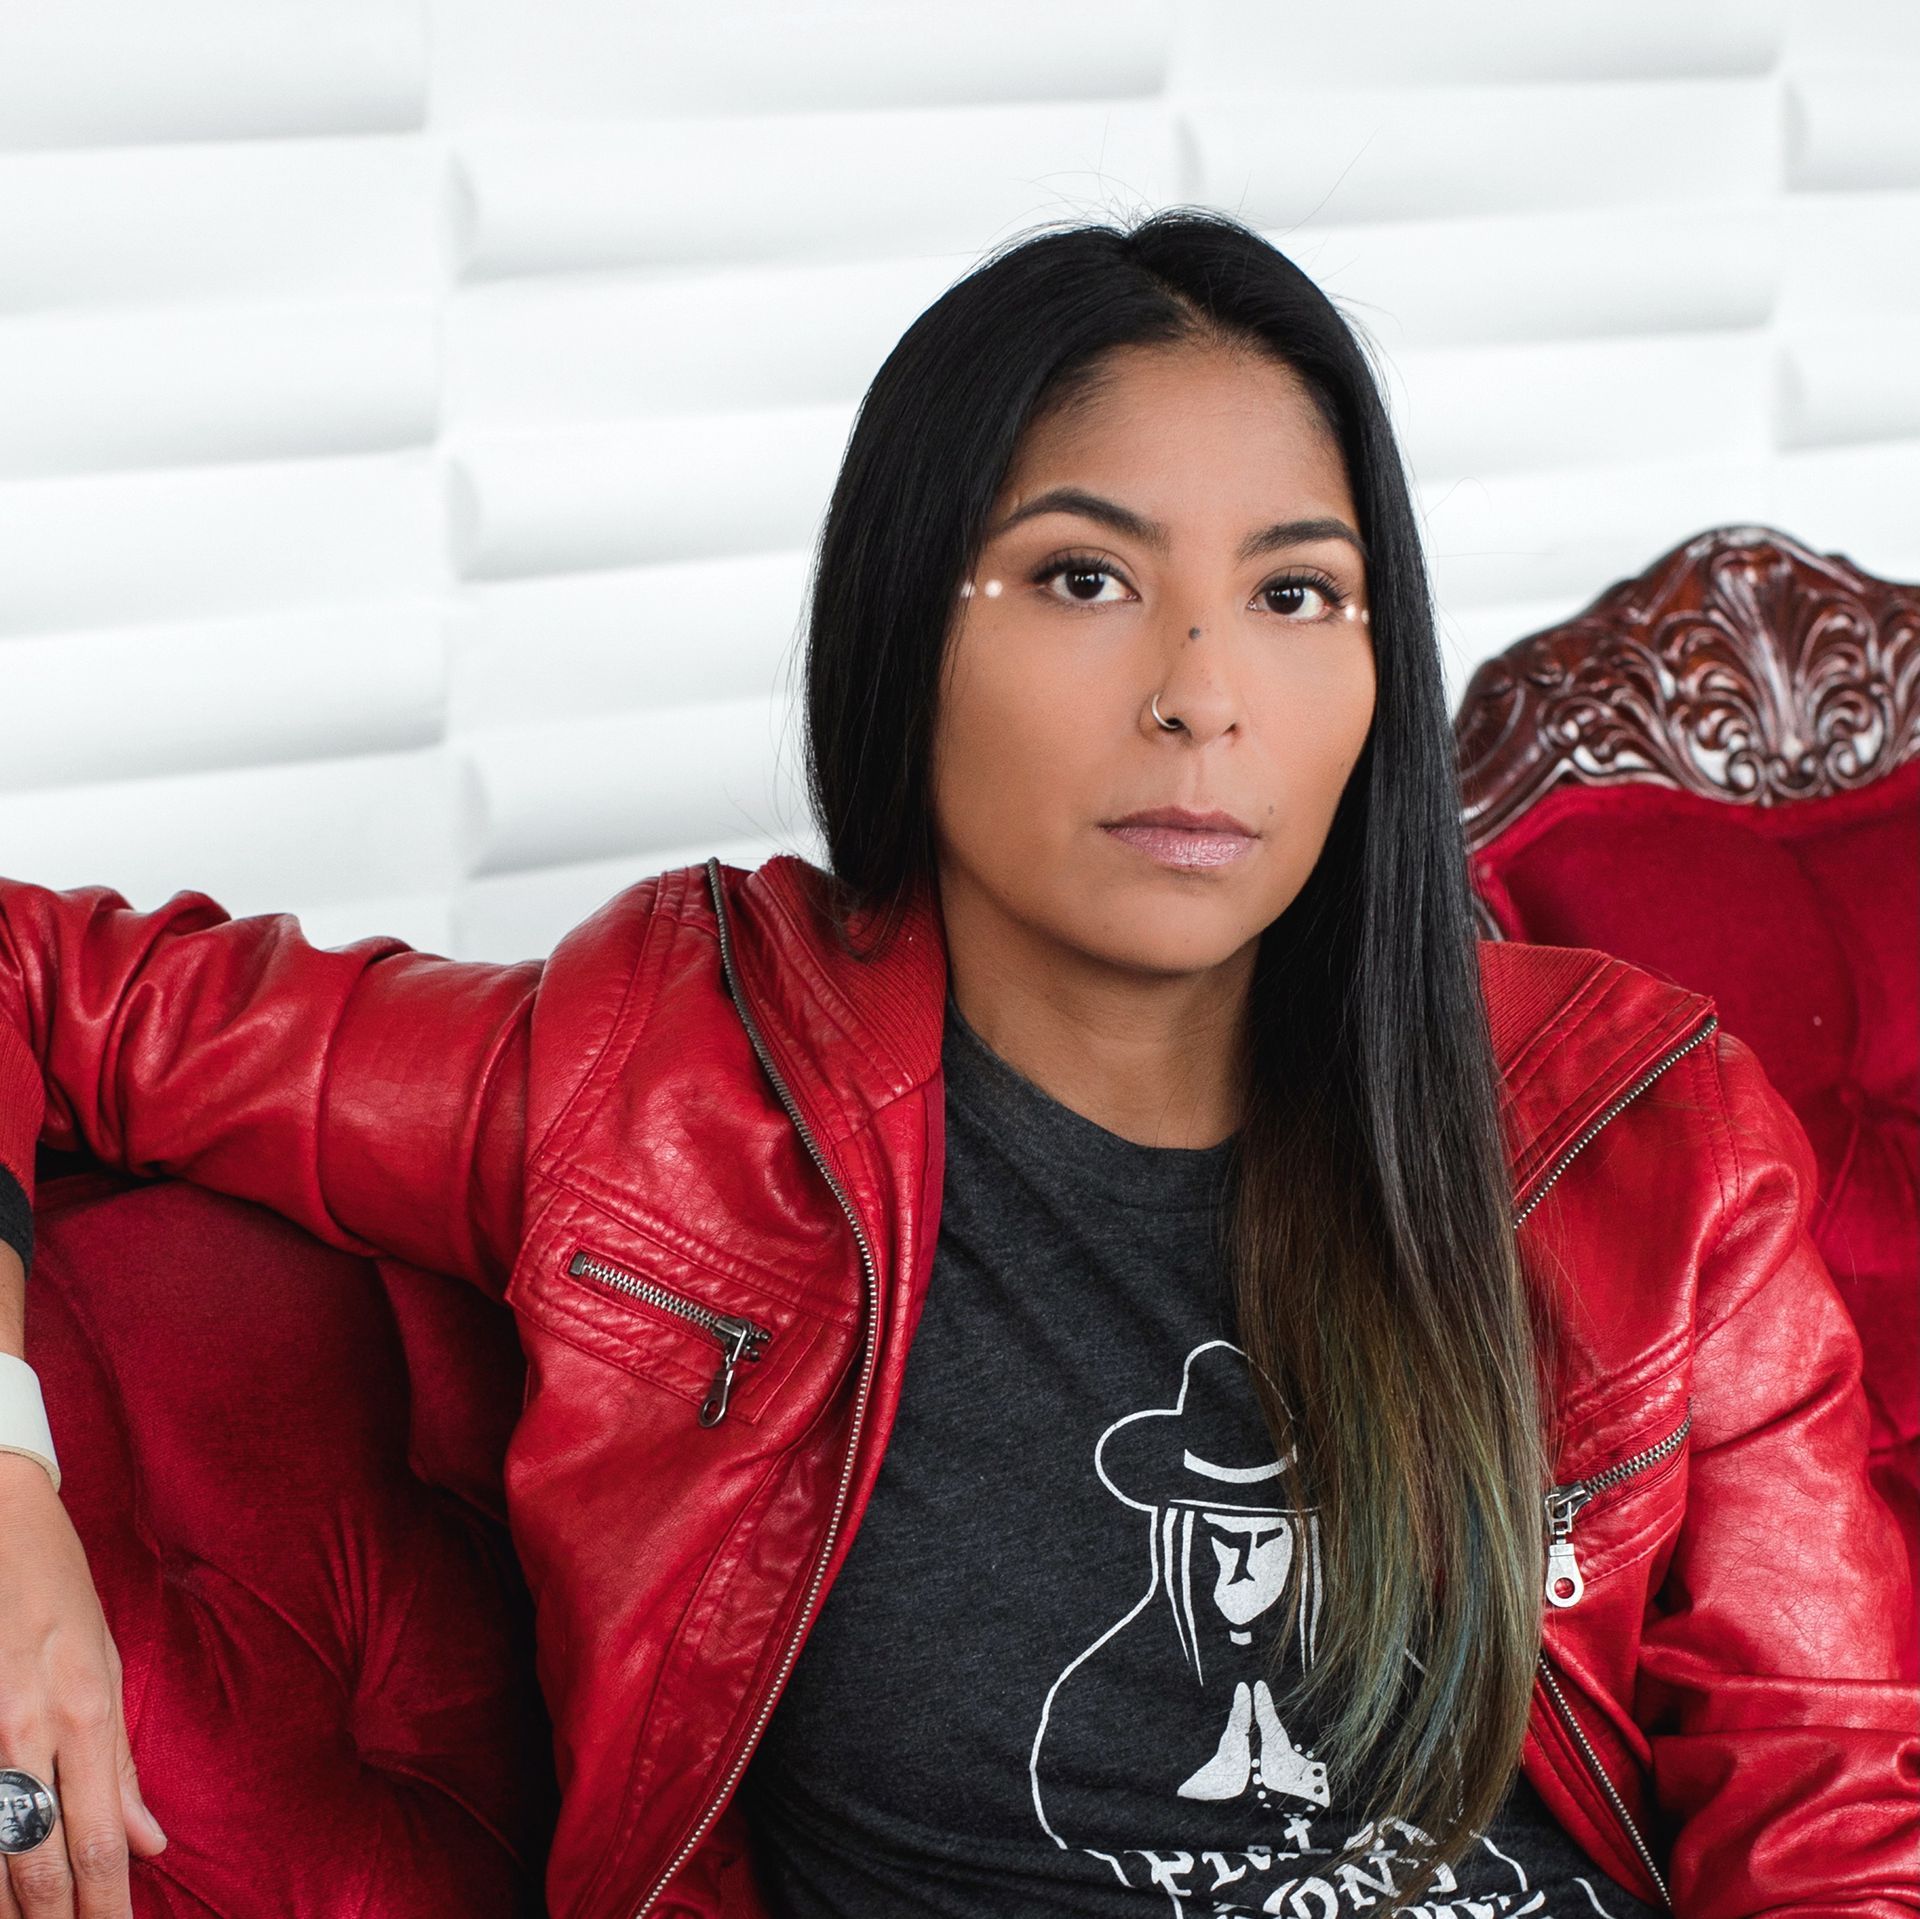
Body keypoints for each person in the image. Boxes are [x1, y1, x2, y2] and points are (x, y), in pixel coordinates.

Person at [0, 206, 1912, 1919]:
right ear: (905, 630)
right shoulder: (657, 1083)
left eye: (1294, 591)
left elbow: (1831, 1818)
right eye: (1085, 578)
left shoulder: (1638, 1142)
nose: (1199, 688)